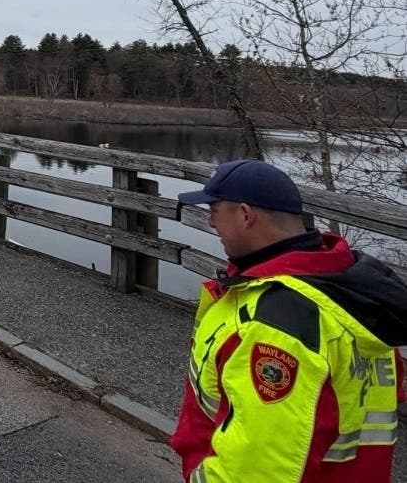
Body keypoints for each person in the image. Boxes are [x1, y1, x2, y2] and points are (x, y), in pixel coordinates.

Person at [173, 159, 407, 483]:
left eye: (214, 210)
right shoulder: (348, 295)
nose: (211, 222)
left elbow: (258, 471)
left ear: (245, 214)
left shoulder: (279, 321)